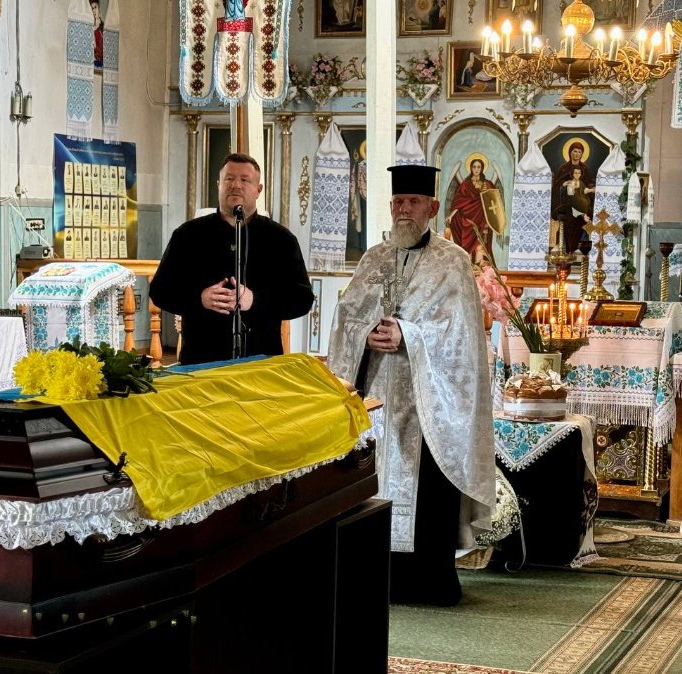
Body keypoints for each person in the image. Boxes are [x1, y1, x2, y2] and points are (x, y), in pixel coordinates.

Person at [327, 164, 494, 606]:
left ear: (432, 209)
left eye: (414, 202)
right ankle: (370, 581)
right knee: (370, 480)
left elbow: (460, 336)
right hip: (376, 394)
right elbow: (345, 320)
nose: (404, 210)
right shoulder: (373, 259)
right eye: (398, 202)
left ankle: (427, 582)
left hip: (428, 404)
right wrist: (366, 334)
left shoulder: (452, 261)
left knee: (427, 493)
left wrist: (409, 335)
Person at [149, 153, 314, 365]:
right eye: (229, 179)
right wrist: (199, 298)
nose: (236, 185)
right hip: (201, 359)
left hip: (261, 359)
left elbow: (302, 299)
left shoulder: (281, 239)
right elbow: (160, 291)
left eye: (245, 180)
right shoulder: (188, 235)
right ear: (219, 184)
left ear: (258, 190)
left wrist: (255, 300)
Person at [444, 157, 496, 262]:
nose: (476, 169)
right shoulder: (465, 184)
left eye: (478, 167)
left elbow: (493, 201)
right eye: (474, 167)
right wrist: (451, 216)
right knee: (468, 244)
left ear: (482, 168)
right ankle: (467, 264)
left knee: (480, 245)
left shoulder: (487, 184)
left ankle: (479, 265)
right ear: (471, 168)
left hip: (482, 219)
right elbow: (458, 202)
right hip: (467, 218)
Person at [551, 141, 595, 253]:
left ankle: (580, 244)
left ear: (582, 154)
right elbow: (557, 185)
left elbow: (588, 184)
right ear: (570, 152)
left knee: (584, 211)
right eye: (575, 151)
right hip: (566, 201)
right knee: (567, 215)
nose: (577, 154)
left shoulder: (585, 168)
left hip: (581, 200)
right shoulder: (563, 169)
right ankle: (562, 244)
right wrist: (564, 184)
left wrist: (591, 188)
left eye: (580, 152)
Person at [90, 1, 104, 69]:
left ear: (99, 9)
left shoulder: (104, 26)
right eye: (92, 8)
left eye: (95, 7)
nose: (94, 10)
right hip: (96, 61)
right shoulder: (91, 29)